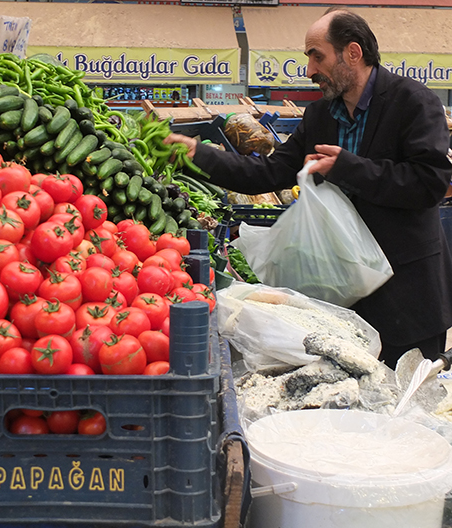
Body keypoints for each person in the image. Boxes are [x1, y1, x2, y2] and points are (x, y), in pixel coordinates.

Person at [165, 8, 452, 369]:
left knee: (407, 412)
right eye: (308, 58)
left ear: (352, 53)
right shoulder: (319, 116)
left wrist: (347, 167)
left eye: (318, 56)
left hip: (406, 299)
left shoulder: (413, 101)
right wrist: (199, 154)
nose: (309, 70)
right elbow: (269, 172)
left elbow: (429, 183)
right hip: (342, 298)